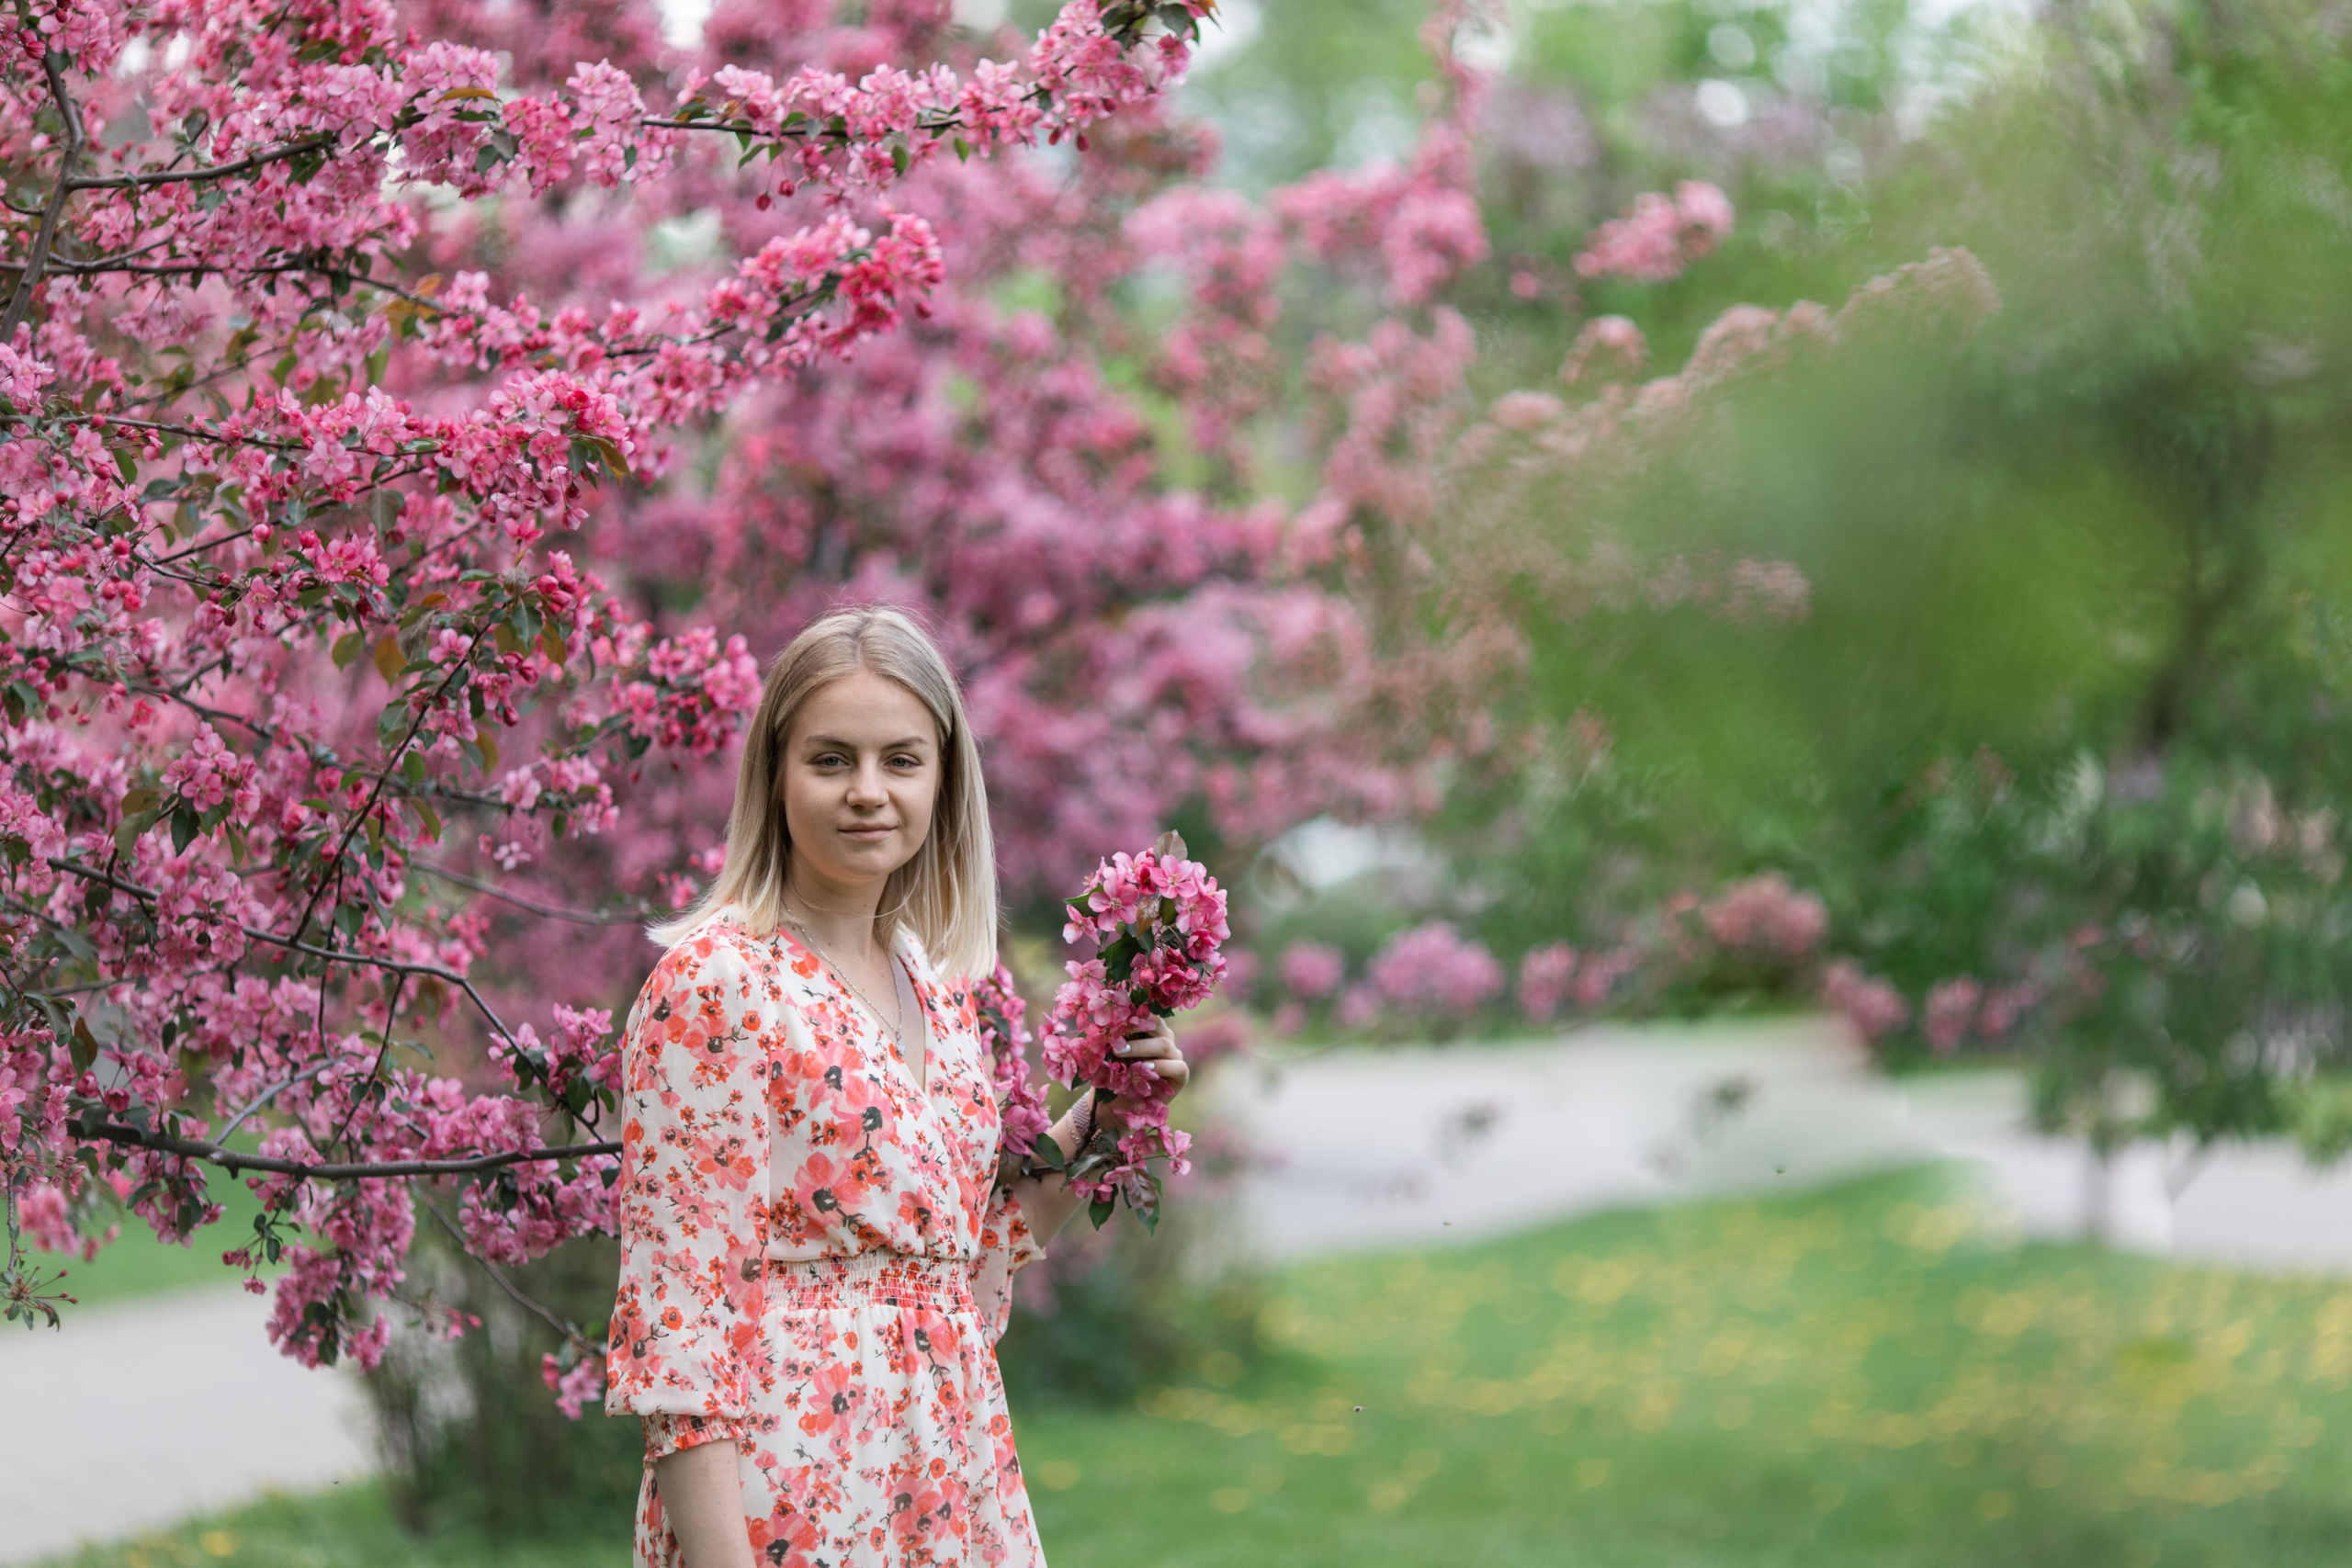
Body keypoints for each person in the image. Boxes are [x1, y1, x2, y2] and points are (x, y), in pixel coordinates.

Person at [604, 604, 1189, 1568]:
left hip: (949, 1480)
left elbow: (967, 1263)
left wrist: (1108, 1111)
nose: (867, 792)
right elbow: (680, 1335)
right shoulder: (718, 984)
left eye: (900, 761)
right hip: (792, 1497)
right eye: (831, 760)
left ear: (944, 781)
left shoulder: (938, 983)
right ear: (776, 776)